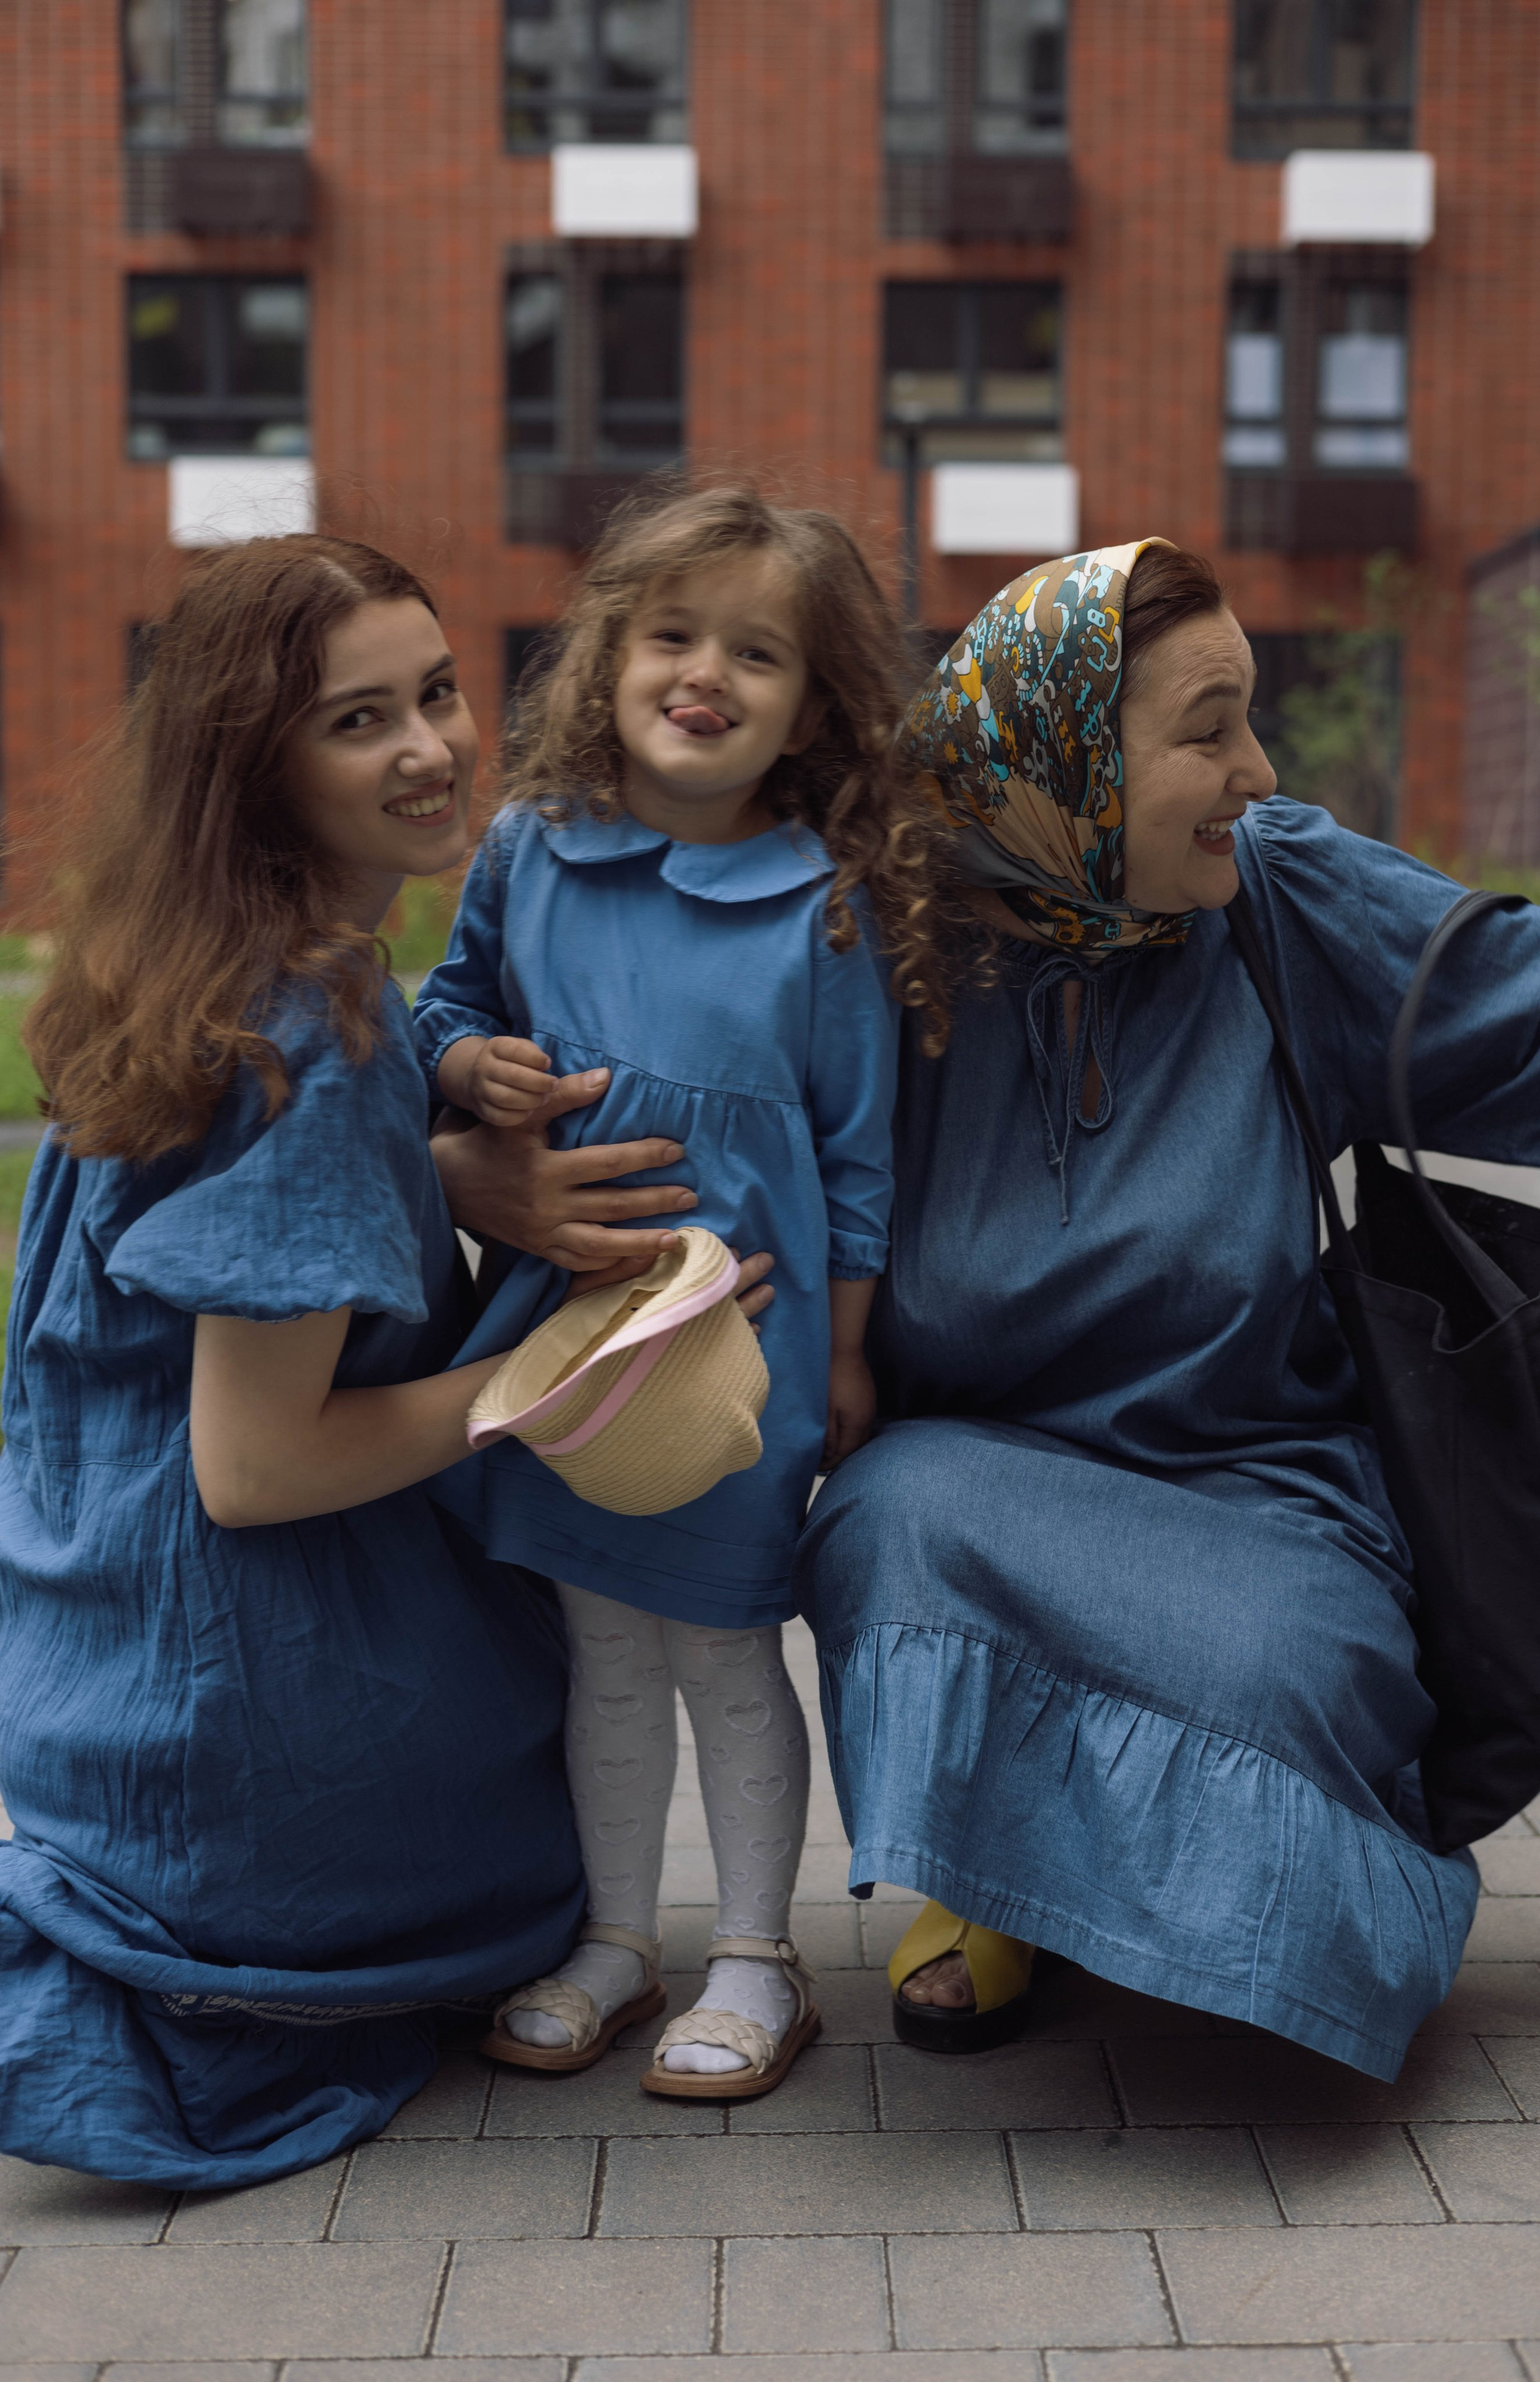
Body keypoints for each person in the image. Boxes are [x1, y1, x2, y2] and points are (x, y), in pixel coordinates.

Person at [783, 538, 1540, 2079]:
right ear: (1063, 760)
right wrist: (463, 1144)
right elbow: (647, 1050)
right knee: (888, 1518)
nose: (1255, 769)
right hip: (986, 1493)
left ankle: (1203, 1909)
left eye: (1250, 719)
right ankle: (999, 1875)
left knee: (1288, 1664)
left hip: (1266, 1494)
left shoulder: (1280, 897)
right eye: (1206, 730)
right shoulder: (878, 944)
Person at [0, 534, 599, 2188]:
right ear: (254, 769)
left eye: (438, 693)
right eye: (358, 721)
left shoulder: (177, 966)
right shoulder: (316, 1034)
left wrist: (444, 1129)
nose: (432, 748)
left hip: (85, 1693)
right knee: (537, 1892)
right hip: (247, 1745)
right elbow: (256, 1470)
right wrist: (551, 1372)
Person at [411, 486, 955, 2097]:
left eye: (756, 652)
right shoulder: (532, 849)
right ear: (609, 655)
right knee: (600, 1647)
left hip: (744, 1348)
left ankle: (756, 1955)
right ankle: (615, 1939)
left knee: (721, 1646)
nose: (704, 671)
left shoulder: (825, 905)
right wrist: (467, 1065)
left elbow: (859, 1153)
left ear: (813, 709)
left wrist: (845, 1356)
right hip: (565, 1338)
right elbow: (444, 1000)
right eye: (671, 633)